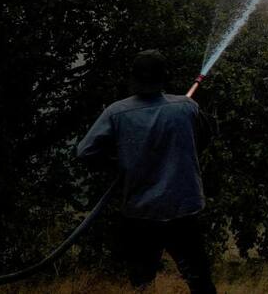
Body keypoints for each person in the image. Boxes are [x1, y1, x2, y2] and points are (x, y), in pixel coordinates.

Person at [76, 50, 217, 293]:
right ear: (164, 77)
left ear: (134, 78)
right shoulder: (187, 107)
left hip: (141, 212)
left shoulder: (116, 112)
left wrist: (121, 160)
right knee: (200, 281)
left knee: (142, 284)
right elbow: (206, 136)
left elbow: (85, 152)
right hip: (182, 209)